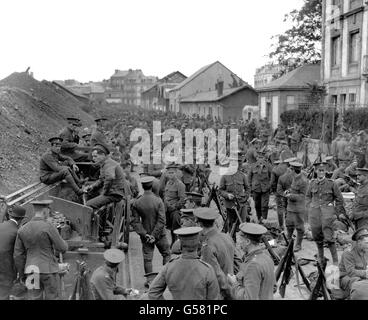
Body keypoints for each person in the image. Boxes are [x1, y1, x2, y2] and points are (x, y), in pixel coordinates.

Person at [14, 200, 68, 300]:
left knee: (33, 297)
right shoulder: (48, 226)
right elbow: (62, 248)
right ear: (44, 211)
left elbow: (18, 255)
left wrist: (22, 274)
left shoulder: (22, 229)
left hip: (30, 269)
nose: (49, 212)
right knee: (52, 297)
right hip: (48, 270)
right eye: (48, 210)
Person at [148, 227, 220, 300]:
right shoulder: (207, 270)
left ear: (180, 245)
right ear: (198, 245)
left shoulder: (169, 267)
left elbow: (153, 292)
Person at [131, 176, 171, 287]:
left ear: (143, 187)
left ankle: (150, 281)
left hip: (146, 236)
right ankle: (165, 278)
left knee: (147, 259)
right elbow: (162, 220)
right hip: (160, 235)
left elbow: (135, 222)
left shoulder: (137, 202)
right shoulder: (158, 201)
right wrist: (155, 235)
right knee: (166, 253)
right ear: (152, 186)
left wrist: (145, 234)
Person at [305, 162, 346, 266]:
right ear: (316, 171)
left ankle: (336, 262)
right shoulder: (312, 183)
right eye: (319, 170)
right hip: (315, 215)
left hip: (327, 215)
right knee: (317, 237)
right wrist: (310, 206)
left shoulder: (331, 183)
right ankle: (321, 258)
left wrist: (336, 212)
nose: (321, 172)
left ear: (326, 171)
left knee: (329, 238)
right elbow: (307, 196)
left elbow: (339, 199)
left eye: (323, 170)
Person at [194, 207, 235, 300]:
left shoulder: (208, 246)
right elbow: (238, 261)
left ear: (200, 224)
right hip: (231, 285)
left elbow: (217, 275)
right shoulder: (226, 237)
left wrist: (230, 294)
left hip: (221, 293)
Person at [228, 223, 275, 300]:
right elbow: (273, 287)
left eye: (240, 239)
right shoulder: (267, 258)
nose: (239, 243)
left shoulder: (252, 265)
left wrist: (234, 284)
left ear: (247, 241)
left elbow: (248, 298)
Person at [84, 144, 126, 210]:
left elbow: (110, 178)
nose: (93, 159)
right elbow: (101, 180)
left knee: (88, 204)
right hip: (112, 192)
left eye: (95, 156)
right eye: (93, 156)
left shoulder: (109, 164)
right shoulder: (104, 164)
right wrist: (92, 186)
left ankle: (95, 219)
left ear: (103, 155)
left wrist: (104, 192)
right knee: (90, 193)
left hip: (115, 194)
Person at [0, 206, 26, 300]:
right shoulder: (17, 232)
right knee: (4, 293)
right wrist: (21, 274)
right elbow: (18, 255)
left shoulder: (1, 225)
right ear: (21, 220)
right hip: (6, 267)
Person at [219, 155, 250, 232]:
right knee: (231, 223)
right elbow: (220, 190)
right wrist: (227, 195)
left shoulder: (243, 176)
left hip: (242, 204)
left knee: (242, 224)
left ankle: (241, 239)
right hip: (230, 205)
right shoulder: (224, 176)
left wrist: (245, 197)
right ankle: (232, 239)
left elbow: (248, 188)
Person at [284, 162, 309, 252]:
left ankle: (298, 245)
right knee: (289, 224)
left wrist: (290, 196)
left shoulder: (303, 181)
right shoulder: (294, 178)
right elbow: (293, 189)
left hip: (299, 208)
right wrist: (288, 191)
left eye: (291, 169)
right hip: (291, 206)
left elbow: (303, 196)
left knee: (299, 227)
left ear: (294, 170)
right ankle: (288, 240)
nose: (289, 171)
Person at [339, 227, 368, 300]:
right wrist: (365, 273)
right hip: (346, 277)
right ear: (359, 242)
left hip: (361, 275)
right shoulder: (348, 253)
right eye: (366, 243)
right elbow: (351, 272)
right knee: (358, 283)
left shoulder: (365, 250)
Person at [163, 164, 186, 244]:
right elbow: (165, 196)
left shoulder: (180, 184)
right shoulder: (168, 183)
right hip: (167, 208)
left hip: (176, 209)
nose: (170, 175)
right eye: (169, 173)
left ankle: (175, 241)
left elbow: (182, 200)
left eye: (172, 173)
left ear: (176, 173)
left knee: (175, 222)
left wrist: (174, 207)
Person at [248, 151, 272, 223]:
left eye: (262, 157)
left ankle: (264, 219)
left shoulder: (268, 166)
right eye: (259, 157)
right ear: (257, 158)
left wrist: (269, 186)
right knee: (257, 205)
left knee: (264, 205)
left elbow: (272, 177)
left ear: (264, 158)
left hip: (265, 189)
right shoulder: (252, 166)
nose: (260, 159)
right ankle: (259, 218)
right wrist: (250, 189)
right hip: (256, 189)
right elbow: (249, 178)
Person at [270, 159, 288, 230]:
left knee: (280, 207)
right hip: (287, 190)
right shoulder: (287, 168)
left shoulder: (274, 170)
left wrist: (273, 190)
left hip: (278, 191)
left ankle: (281, 225)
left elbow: (272, 182)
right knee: (287, 207)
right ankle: (288, 224)